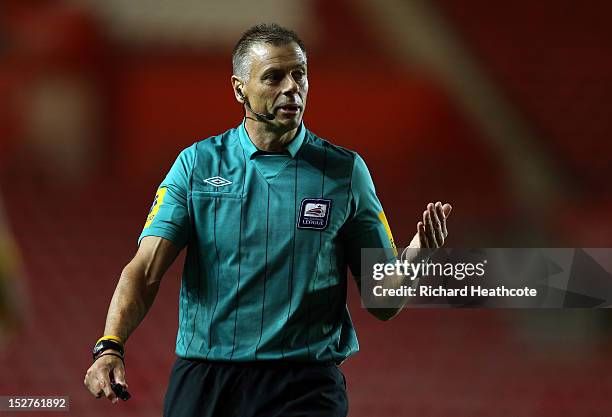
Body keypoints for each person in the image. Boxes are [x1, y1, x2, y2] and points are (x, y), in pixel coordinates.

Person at [84, 23, 451, 416]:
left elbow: (383, 302)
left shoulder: (345, 173)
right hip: (207, 380)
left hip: (304, 385)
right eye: (274, 77)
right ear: (239, 88)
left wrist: (416, 256)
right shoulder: (196, 166)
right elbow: (144, 270)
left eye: (299, 74)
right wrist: (110, 345)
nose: (292, 87)